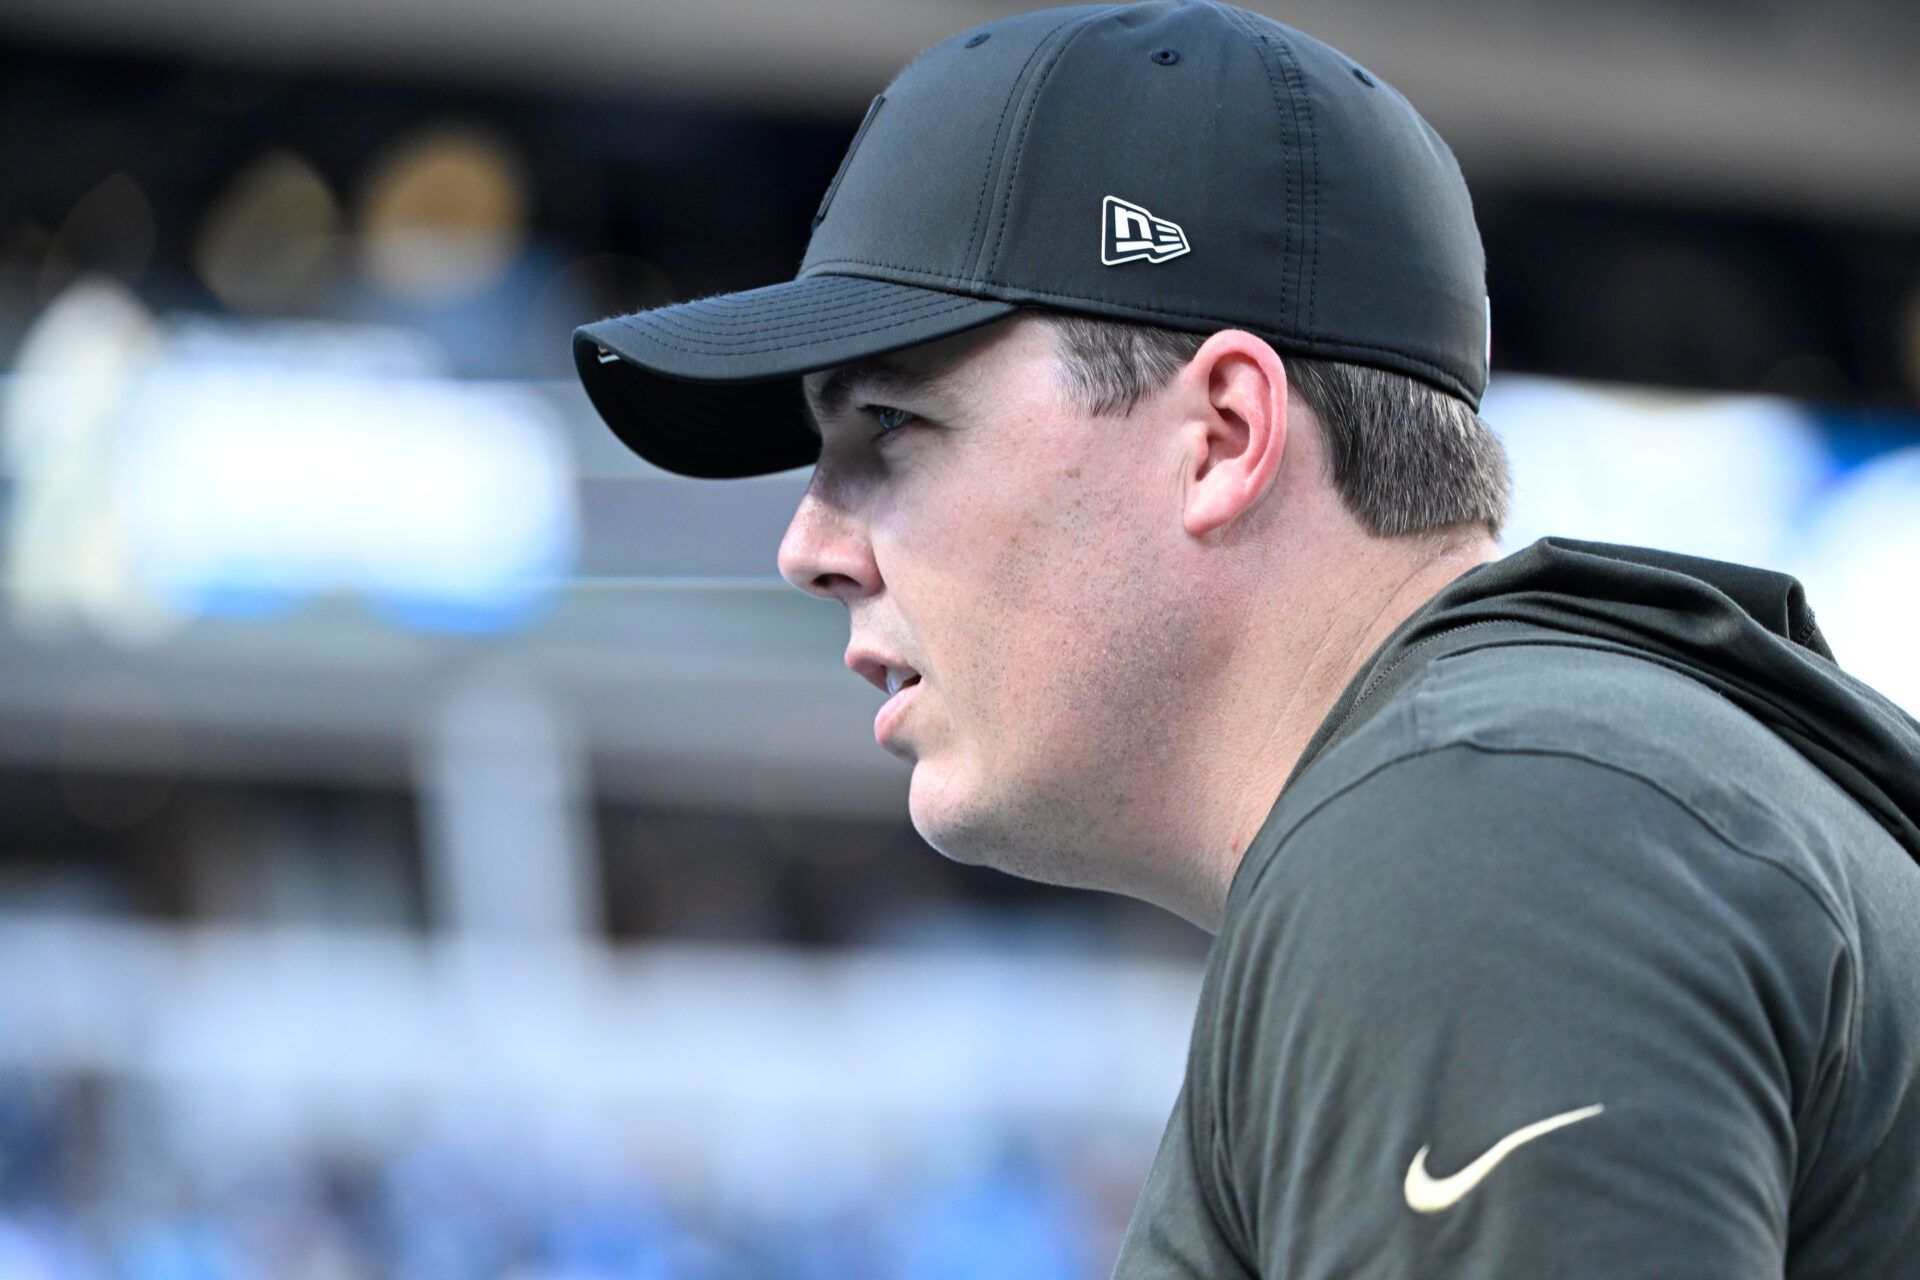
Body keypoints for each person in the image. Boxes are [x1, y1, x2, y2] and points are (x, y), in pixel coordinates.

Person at [571, 2, 1920, 1273]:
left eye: (892, 428)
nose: (809, 545)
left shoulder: (1489, 823)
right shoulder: (1538, 789)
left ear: (1220, 437)